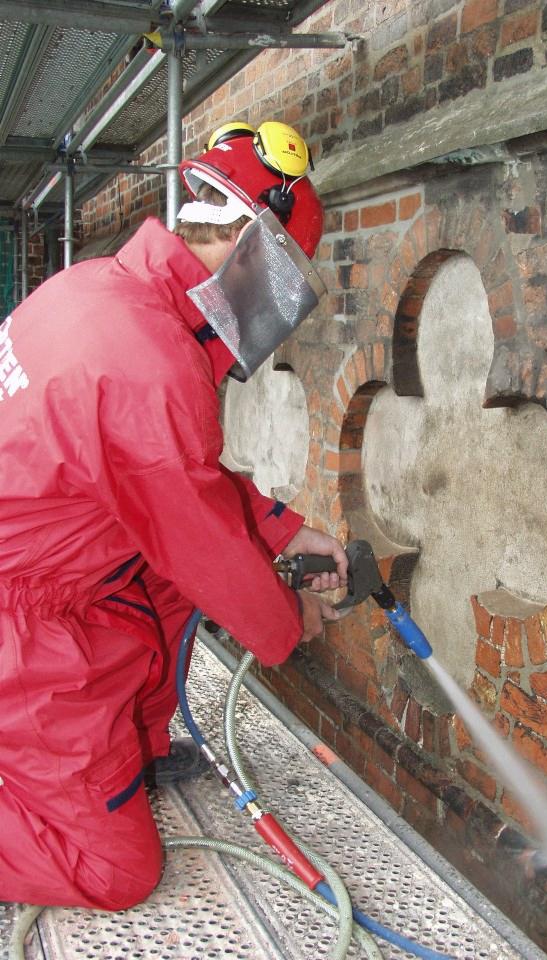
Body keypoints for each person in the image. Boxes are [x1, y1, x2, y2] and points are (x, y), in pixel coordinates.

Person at [0, 120, 347, 911]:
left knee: (168, 578)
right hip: (18, 620)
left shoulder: (100, 293)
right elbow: (201, 538)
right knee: (115, 870)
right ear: (250, 245)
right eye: (288, 275)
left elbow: (168, 481)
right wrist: (285, 617)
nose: (283, 302)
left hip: (49, 567)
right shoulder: (147, 362)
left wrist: (289, 532)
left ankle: (138, 746)